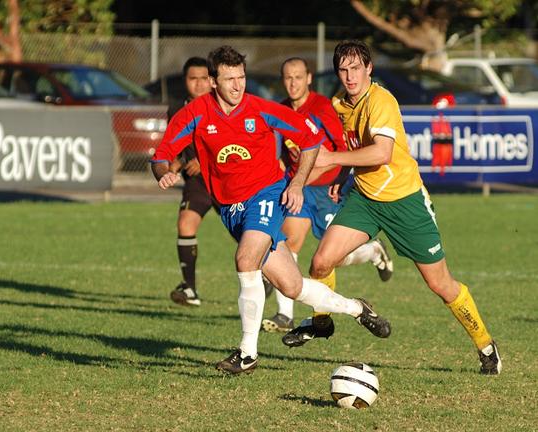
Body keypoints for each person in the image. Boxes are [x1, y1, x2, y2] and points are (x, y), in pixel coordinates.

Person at [151, 45, 391, 375]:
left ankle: (247, 353)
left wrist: (295, 185)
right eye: (229, 79)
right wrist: (165, 173)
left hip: (267, 194)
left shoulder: (261, 109)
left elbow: (310, 141)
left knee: (246, 260)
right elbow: (160, 156)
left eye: (242, 77)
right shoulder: (194, 114)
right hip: (230, 209)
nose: (237, 85)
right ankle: (356, 308)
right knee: (291, 286)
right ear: (213, 81)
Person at [284, 40, 501, 375]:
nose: (349, 75)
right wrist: (343, 174)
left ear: (369, 69)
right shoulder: (340, 103)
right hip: (365, 200)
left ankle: (486, 345)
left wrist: (333, 160)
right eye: (343, 69)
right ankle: (321, 323)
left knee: (440, 284)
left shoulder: (381, 100)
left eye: (356, 68)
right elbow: (354, 147)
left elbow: (381, 153)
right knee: (322, 261)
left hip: (404, 202)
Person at [262, 56, 394, 337]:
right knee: (290, 243)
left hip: (325, 187)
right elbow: (286, 152)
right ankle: (285, 314)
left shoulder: (322, 107)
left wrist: (339, 178)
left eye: (298, 77)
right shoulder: (283, 110)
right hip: (299, 189)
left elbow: (342, 148)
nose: (293, 83)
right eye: (287, 77)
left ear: (309, 78)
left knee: (330, 257)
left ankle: (372, 251)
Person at [168, 57, 214, 307]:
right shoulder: (177, 110)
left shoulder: (221, 106)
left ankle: (267, 275)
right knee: (186, 224)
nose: (198, 84)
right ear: (185, 81)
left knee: (246, 236)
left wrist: (205, 161)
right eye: (192, 78)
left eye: (204, 78)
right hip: (197, 182)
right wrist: (171, 168)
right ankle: (190, 289)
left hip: (226, 180)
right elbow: (176, 146)